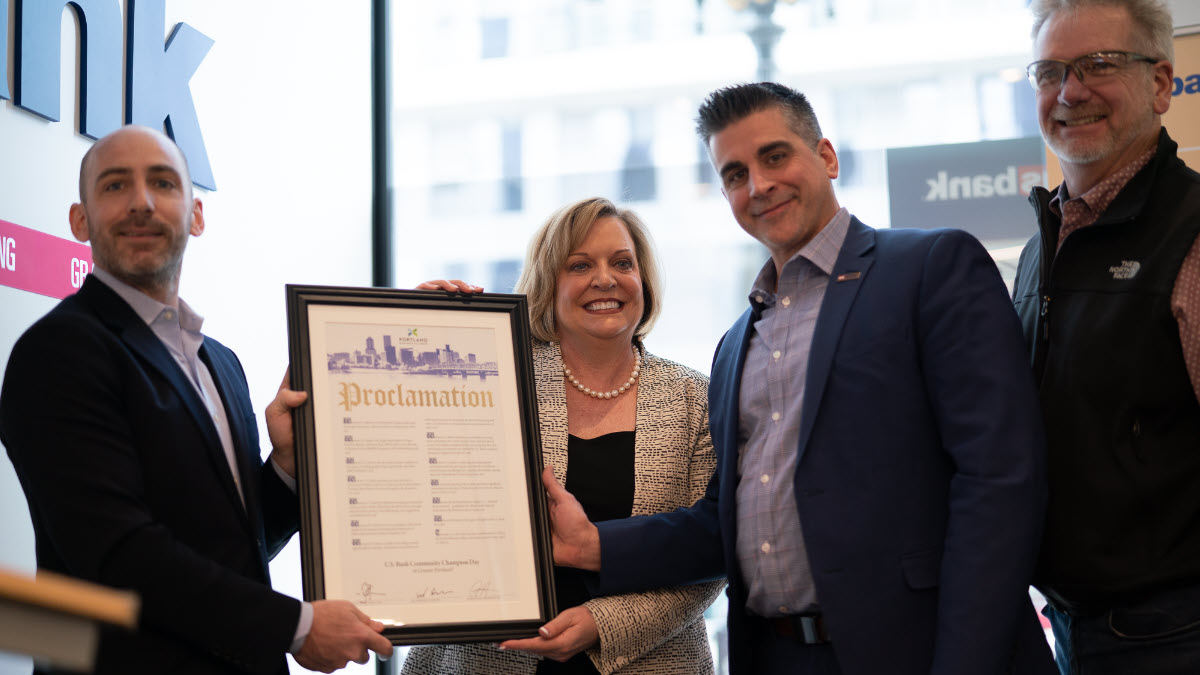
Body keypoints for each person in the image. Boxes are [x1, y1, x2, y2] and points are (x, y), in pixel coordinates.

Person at [543, 83, 1057, 675]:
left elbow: (999, 480)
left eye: (775, 156)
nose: (758, 185)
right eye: (735, 174)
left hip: (920, 651)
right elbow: (723, 523)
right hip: (778, 654)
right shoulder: (736, 344)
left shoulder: (931, 268)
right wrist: (594, 547)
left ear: (827, 157)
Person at [0, 125, 393, 675]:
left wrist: (284, 468)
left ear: (196, 215)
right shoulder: (58, 351)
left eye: (162, 183)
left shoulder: (221, 363)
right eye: (115, 186)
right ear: (79, 220)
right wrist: (296, 625)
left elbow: (232, 548)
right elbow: (118, 553)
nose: (141, 202)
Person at [400, 197, 724, 674]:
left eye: (622, 263)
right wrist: (415, 330)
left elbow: (710, 553)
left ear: (644, 282)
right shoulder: (490, 380)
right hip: (484, 661)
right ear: (547, 286)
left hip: (651, 661)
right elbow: (418, 479)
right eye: (579, 265)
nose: (604, 278)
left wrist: (604, 624)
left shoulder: (696, 398)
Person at [1011, 1, 1200, 672]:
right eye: (1051, 71)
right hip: (1071, 620)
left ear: (1160, 84)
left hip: (1171, 629)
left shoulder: (1192, 232)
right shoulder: (1049, 240)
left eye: (1098, 64)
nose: (1070, 92)